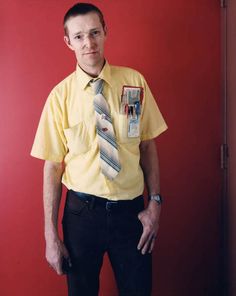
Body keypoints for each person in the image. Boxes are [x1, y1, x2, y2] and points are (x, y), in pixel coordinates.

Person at [31, 2, 167, 296]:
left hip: (132, 216)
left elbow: (147, 145)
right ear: (68, 42)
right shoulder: (60, 98)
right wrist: (50, 235)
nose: (88, 42)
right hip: (82, 217)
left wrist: (154, 203)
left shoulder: (133, 83)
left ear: (106, 32)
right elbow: (53, 166)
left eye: (95, 32)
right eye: (79, 36)